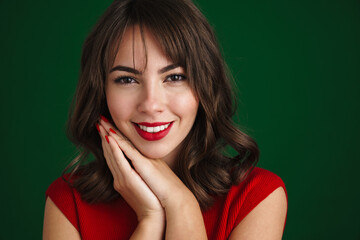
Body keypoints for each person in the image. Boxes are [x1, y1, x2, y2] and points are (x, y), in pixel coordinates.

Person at [43, 0, 287, 239]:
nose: (151, 104)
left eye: (174, 77)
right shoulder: (67, 201)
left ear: (204, 85)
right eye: (127, 79)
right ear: (101, 91)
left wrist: (182, 206)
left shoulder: (257, 197)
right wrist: (150, 220)